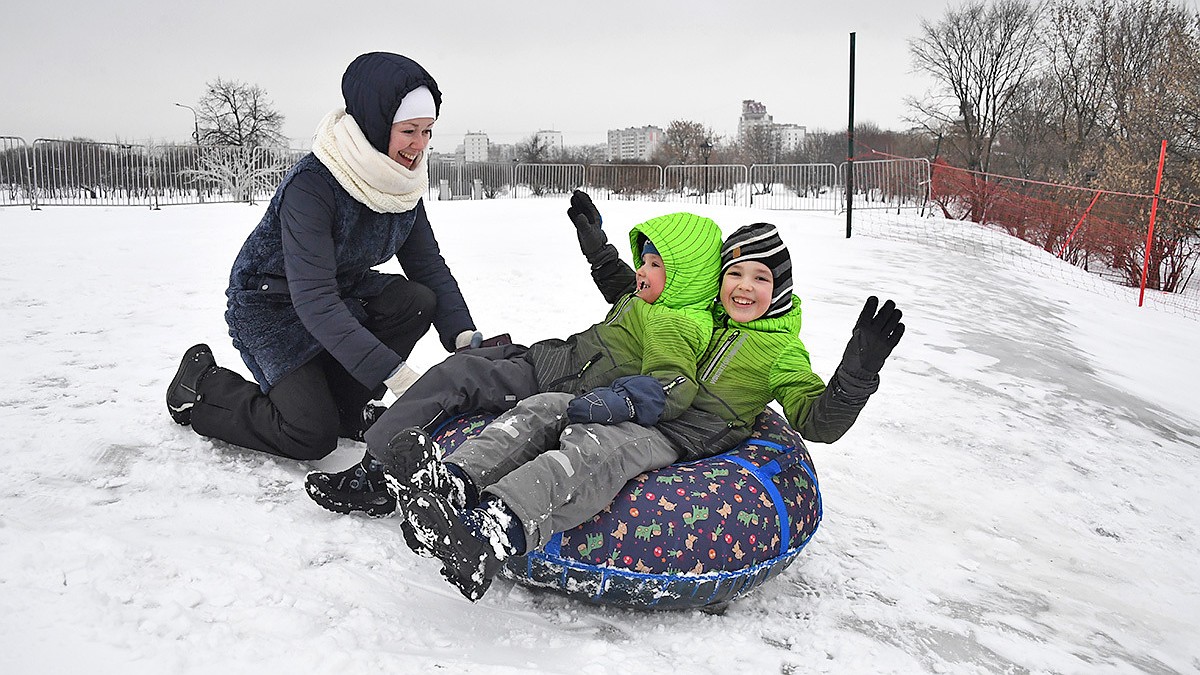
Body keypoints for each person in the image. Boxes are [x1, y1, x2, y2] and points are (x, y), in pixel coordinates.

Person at [398, 206, 905, 601]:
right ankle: (454, 481)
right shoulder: (700, 311)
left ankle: (496, 529)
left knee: (594, 450)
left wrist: (855, 375)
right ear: (717, 280)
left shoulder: (779, 352)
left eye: (761, 278)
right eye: (735, 275)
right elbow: (636, 292)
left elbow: (816, 422)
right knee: (543, 408)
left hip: (678, 435)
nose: (744, 287)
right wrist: (601, 253)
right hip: (643, 401)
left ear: (779, 290)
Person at [304, 197, 724, 524]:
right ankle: (396, 420)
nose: (641, 272)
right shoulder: (654, 300)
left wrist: (624, 402)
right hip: (551, 358)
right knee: (477, 356)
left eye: (655, 264)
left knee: (458, 373)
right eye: (644, 261)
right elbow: (623, 288)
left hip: (557, 384)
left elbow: (673, 382)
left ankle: (377, 476)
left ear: (687, 274)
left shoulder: (676, 325)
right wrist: (599, 250)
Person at [164, 52, 481, 463]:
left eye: (427, 131)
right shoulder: (314, 185)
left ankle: (348, 409)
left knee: (416, 300)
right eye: (408, 131)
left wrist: (465, 337)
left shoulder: (400, 184)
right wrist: (393, 374)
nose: (418, 146)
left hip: (341, 292)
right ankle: (202, 386)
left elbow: (427, 266)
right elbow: (313, 298)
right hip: (271, 306)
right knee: (309, 434)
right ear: (376, 123)